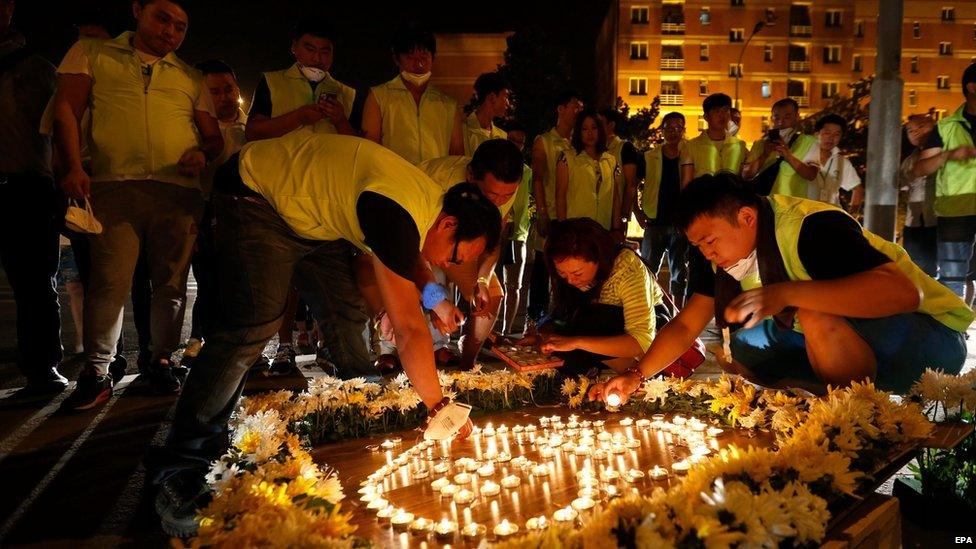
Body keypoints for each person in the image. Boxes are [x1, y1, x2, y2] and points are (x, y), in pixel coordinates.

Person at [152, 131, 497, 536]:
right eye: (456, 256)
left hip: (314, 223)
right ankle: (181, 465)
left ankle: (361, 410)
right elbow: (407, 330)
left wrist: (437, 302)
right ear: (450, 223)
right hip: (257, 195)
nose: (446, 263)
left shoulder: (427, 206)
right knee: (254, 323)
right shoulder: (395, 211)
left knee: (346, 312)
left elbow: (414, 261)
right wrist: (440, 407)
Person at [588, 173, 972, 405]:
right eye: (699, 245)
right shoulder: (720, 256)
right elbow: (686, 327)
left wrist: (787, 294)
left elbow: (904, 294)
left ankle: (855, 418)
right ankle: (825, 391)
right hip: (859, 342)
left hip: (929, 342)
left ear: (746, 217)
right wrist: (638, 376)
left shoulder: (811, 227)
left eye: (709, 240)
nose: (707, 253)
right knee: (744, 347)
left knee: (812, 309)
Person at [52, 0, 224, 410]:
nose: (170, 31)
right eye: (162, 19)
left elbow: (213, 136)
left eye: (180, 26)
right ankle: (96, 371)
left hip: (177, 191)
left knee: (171, 286)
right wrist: (73, 166)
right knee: (110, 283)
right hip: (115, 185)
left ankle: (161, 360)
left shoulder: (188, 74)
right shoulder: (93, 52)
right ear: (137, 11)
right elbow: (65, 111)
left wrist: (202, 152)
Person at [0, 0, 66, 398]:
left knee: (35, 284)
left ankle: (43, 370)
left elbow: (61, 131)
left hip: (25, 186)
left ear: (9, 8)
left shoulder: (36, 68)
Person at [411, 139, 525, 370]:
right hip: (420, 237)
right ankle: (414, 369)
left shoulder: (502, 191)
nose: (499, 202)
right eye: (493, 195)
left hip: (460, 244)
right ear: (471, 177)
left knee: (491, 295)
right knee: (414, 294)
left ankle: (467, 366)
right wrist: (434, 302)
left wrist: (482, 280)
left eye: (508, 195)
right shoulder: (437, 184)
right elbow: (413, 249)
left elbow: (492, 240)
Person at [526, 218, 662, 376]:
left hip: (647, 347)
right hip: (596, 333)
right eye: (562, 274)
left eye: (577, 273)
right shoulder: (570, 279)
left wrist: (576, 342)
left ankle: (634, 378)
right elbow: (563, 317)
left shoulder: (626, 268)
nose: (570, 280)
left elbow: (641, 341)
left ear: (599, 258)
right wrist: (543, 337)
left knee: (593, 322)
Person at [181, 59, 248, 365]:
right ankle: (201, 341)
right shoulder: (195, 132)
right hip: (207, 212)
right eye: (214, 91)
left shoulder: (251, 129)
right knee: (208, 282)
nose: (224, 96)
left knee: (242, 283)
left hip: (246, 214)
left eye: (228, 88)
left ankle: (239, 347)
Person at [912, 63, 976, 298]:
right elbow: (920, 169)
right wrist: (948, 154)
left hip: (957, 212)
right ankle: (952, 331)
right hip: (955, 212)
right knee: (952, 277)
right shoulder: (946, 127)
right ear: (972, 87)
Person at [362, 22, 464, 164]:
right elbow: (370, 148)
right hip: (396, 181)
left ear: (432, 58)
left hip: (436, 182)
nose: (419, 65)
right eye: (410, 57)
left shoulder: (447, 104)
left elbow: (457, 154)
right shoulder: (379, 96)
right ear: (396, 59)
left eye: (424, 57)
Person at [245, 17, 354, 140]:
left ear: (333, 54)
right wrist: (298, 117)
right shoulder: (271, 81)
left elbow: (360, 144)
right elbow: (251, 133)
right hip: (281, 159)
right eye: (310, 49)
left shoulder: (347, 93)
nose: (317, 58)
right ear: (294, 47)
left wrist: (341, 121)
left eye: (324, 52)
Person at [528, 90, 583, 321]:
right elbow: (538, 179)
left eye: (581, 107)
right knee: (543, 270)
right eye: (575, 106)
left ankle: (565, 320)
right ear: (561, 109)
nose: (579, 111)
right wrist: (542, 212)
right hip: (551, 217)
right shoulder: (544, 142)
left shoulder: (580, 144)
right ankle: (534, 320)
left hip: (574, 217)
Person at [637, 112, 689, 307]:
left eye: (678, 128)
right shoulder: (649, 157)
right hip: (654, 221)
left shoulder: (689, 155)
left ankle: (677, 313)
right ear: (663, 130)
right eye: (670, 127)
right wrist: (637, 212)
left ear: (683, 130)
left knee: (680, 273)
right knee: (648, 272)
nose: (674, 132)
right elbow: (633, 185)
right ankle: (648, 310)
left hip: (680, 223)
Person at [555, 110, 622, 232]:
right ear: (578, 132)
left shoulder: (611, 160)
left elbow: (615, 197)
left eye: (594, 128)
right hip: (576, 229)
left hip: (603, 228)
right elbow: (560, 196)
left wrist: (617, 228)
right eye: (584, 129)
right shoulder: (567, 158)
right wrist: (563, 229)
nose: (590, 133)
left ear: (600, 130)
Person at [496, 121, 533, 335]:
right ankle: (486, 331)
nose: (517, 145)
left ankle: (506, 331)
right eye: (513, 140)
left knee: (514, 285)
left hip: (519, 233)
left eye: (521, 142)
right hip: (497, 231)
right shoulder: (497, 172)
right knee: (493, 283)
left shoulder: (527, 172)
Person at [741, 98, 818, 196]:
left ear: (797, 117)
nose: (781, 122)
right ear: (771, 118)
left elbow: (811, 175)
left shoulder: (810, 142)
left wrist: (787, 155)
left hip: (793, 203)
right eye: (777, 117)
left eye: (787, 117)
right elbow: (746, 175)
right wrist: (765, 155)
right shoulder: (760, 144)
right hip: (763, 202)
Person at [898, 114, 938, 277]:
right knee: (912, 269)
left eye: (921, 127)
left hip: (939, 221)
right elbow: (902, 186)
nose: (915, 132)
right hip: (913, 221)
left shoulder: (946, 155)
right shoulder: (909, 160)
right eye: (910, 130)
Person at [680, 93, 747, 188]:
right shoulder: (691, 146)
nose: (722, 115)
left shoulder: (740, 146)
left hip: (731, 201)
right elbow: (686, 185)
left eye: (725, 110)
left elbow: (746, 176)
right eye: (716, 111)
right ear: (706, 117)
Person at [804, 114, 863, 208]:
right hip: (804, 213)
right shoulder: (803, 154)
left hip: (832, 216)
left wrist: (852, 216)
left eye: (836, 134)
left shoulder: (842, 162)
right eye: (827, 133)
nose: (831, 138)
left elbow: (858, 189)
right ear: (817, 133)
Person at [599, 108, 640, 233]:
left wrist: (624, 215)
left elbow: (631, 184)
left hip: (615, 217)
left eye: (599, 123)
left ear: (611, 125)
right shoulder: (595, 149)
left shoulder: (624, 148)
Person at [464, 71, 509, 156]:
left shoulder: (501, 135)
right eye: (505, 96)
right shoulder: (464, 132)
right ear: (492, 97)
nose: (508, 103)